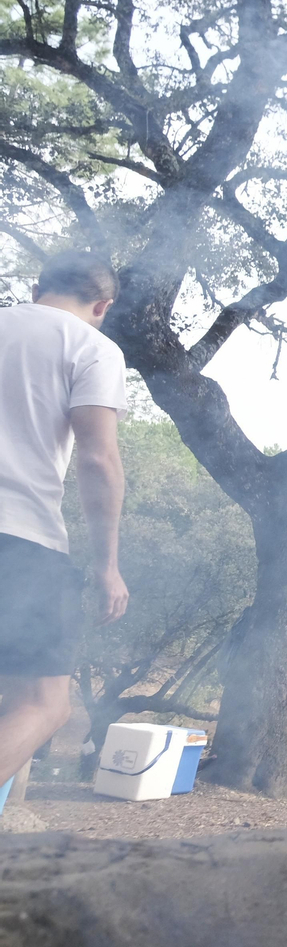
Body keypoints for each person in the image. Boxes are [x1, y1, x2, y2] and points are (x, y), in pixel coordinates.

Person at [0, 251, 129, 788]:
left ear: (37, 290)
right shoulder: (91, 348)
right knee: (44, 702)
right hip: (19, 537)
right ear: (102, 305)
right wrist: (107, 566)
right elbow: (98, 460)